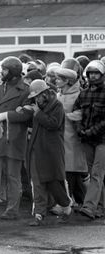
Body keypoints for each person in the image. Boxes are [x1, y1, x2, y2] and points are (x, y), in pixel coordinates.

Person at [0, 56, 32, 221]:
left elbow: (28, 114)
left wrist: (5, 115)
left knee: (12, 176)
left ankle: (12, 210)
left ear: (14, 72)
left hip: (14, 137)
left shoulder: (26, 90)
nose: (2, 73)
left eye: (5, 70)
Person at [19, 79, 72, 226]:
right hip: (37, 150)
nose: (36, 100)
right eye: (34, 97)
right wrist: (27, 111)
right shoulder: (38, 108)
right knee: (37, 183)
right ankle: (39, 215)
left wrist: (37, 113)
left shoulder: (57, 105)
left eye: (38, 96)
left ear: (45, 94)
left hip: (51, 152)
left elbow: (53, 124)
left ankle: (66, 208)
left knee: (54, 183)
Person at [75, 60, 105, 220]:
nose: (93, 76)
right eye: (90, 73)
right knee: (94, 174)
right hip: (86, 138)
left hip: (102, 139)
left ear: (102, 75)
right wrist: (80, 129)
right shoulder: (83, 93)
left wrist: (90, 131)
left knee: (97, 174)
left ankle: (89, 207)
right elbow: (76, 112)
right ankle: (99, 207)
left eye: (96, 73)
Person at [55, 66, 88, 208]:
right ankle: (80, 202)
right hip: (62, 139)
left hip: (73, 140)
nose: (55, 81)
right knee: (70, 173)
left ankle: (76, 202)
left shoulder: (78, 95)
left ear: (67, 81)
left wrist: (64, 117)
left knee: (72, 173)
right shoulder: (59, 94)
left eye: (58, 79)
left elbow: (82, 113)